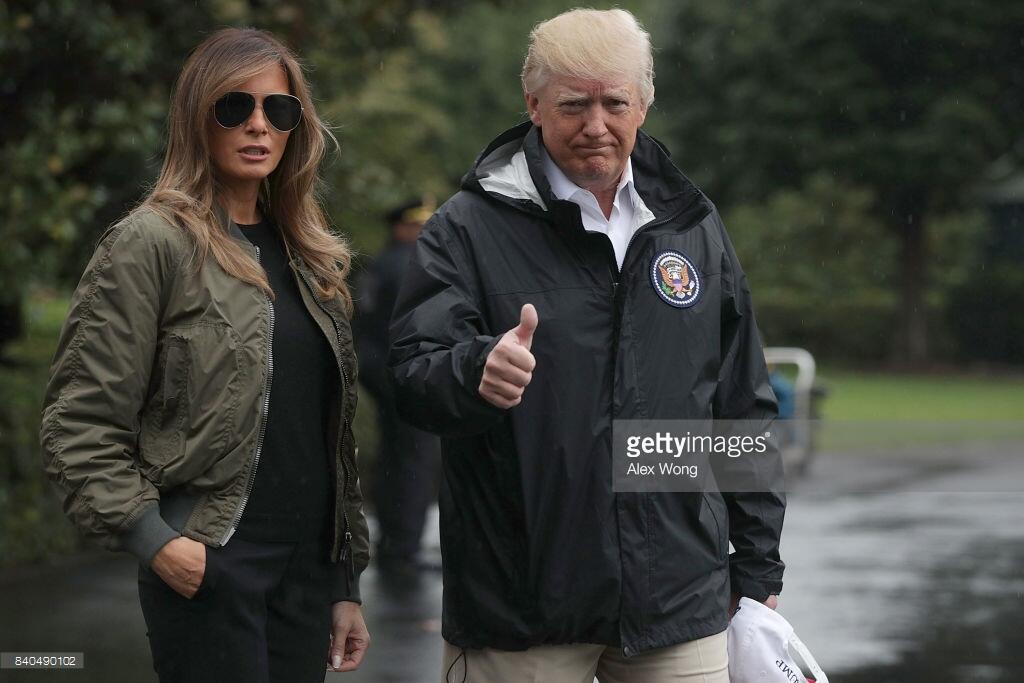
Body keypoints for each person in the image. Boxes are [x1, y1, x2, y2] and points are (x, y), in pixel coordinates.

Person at [388, 9, 785, 682]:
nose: (595, 124)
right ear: (533, 105)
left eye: (614, 103)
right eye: (573, 104)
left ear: (645, 104)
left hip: (677, 598)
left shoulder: (690, 224)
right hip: (523, 603)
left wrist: (757, 559)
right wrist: (474, 371)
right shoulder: (468, 227)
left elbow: (738, 397)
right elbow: (410, 372)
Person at [40, 28, 370, 682]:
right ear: (198, 118)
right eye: (233, 107)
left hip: (304, 574)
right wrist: (156, 541)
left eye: (277, 111)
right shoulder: (150, 243)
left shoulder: (310, 259)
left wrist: (344, 582)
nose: (257, 125)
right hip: (210, 563)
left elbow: (331, 437)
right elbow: (77, 425)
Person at [354, 198, 443, 584]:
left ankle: (393, 542)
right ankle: (404, 547)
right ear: (402, 227)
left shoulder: (381, 262)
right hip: (403, 373)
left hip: (377, 370)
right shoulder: (411, 263)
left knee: (395, 456)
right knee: (415, 458)